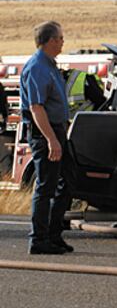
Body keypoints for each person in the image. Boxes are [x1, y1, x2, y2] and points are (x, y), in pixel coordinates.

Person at [19, 21, 72, 254]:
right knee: (46, 187)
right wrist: (51, 140)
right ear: (50, 41)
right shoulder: (37, 67)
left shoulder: (49, 65)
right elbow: (36, 108)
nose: (62, 42)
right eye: (60, 38)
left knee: (66, 183)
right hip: (45, 132)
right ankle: (39, 240)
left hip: (57, 130)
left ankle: (53, 234)